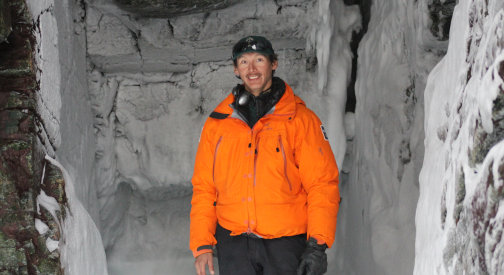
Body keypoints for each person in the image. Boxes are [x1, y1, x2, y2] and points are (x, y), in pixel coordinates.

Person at [190, 35, 340, 275]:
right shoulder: (218, 124)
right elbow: (204, 187)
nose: (252, 69)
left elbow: (322, 184)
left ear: (273, 64)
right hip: (234, 245)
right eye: (244, 62)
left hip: (285, 245)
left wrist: (317, 245)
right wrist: (202, 244)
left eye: (259, 60)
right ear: (236, 70)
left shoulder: (300, 121)